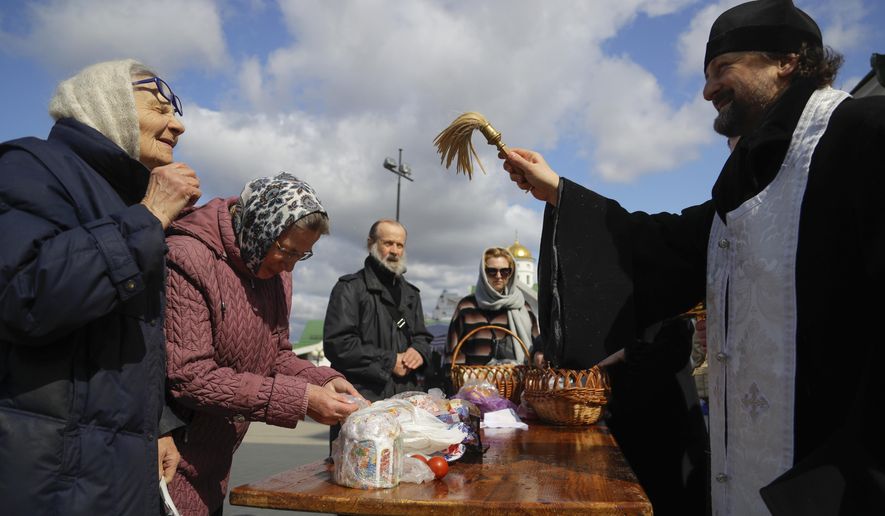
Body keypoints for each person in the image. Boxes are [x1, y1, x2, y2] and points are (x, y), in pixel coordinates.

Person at [502, 1, 885, 514]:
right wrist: (560, 194)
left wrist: (845, 480)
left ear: (787, 60)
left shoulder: (867, 134)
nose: (707, 90)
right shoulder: (742, 181)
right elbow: (663, 246)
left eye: (724, 68)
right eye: (707, 74)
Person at [0, 59, 199, 514]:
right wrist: (148, 218)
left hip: (113, 468)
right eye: (159, 106)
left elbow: (122, 346)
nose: (178, 124)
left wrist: (159, 424)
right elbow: (24, 297)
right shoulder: (29, 165)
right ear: (106, 104)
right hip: (50, 475)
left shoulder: (123, 199)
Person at [163, 173, 363, 515]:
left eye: (302, 255)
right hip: (172, 451)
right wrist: (300, 401)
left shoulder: (276, 274)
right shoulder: (188, 257)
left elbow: (276, 355)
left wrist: (323, 380)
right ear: (259, 227)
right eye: (286, 251)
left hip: (217, 453)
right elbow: (191, 377)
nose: (289, 266)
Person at [323, 219, 433, 401]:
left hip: (405, 399)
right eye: (388, 243)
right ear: (370, 243)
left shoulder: (411, 293)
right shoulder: (350, 288)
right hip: (361, 399)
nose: (395, 251)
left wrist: (419, 352)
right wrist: (390, 362)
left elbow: (422, 337)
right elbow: (338, 345)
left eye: (400, 245)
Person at [444, 247, 541, 382]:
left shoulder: (522, 307)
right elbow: (452, 351)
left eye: (505, 271)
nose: (499, 276)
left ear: (511, 273)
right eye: (492, 271)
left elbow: (536, 345)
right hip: (474, 389)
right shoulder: (467, 306)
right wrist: (461, 381)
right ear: (483, 273)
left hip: (515, 386)